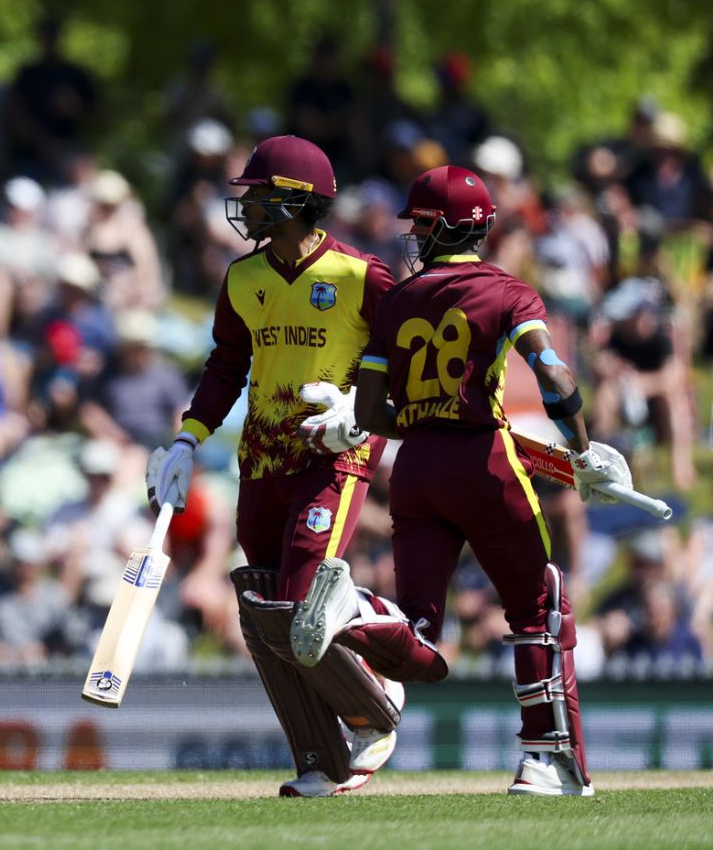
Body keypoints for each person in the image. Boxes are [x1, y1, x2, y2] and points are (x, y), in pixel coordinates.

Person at [290, 165, 636, 797]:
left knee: (419, 632)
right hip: (484, 460)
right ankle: (544, 761)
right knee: (539, 609)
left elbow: (369, 414)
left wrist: (426, 420)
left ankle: (358, 609)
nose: (414, 234)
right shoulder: (507, 292)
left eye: (421, 222)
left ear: (450, 226)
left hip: (415, 466)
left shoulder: (397, 299)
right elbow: (556, 379)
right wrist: (583, 450)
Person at [144, 135, 402, 797]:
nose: (247, 206)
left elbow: (403, 359)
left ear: (294, 201)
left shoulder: (360, 275)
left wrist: (357, 406)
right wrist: (187, 440)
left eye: (259, 195)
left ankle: (376, 696)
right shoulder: (243, 277)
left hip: (332, 454)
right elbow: (226, 366)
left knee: (294, 600)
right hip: (261, 458)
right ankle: (321, 757)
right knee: (262, 609)